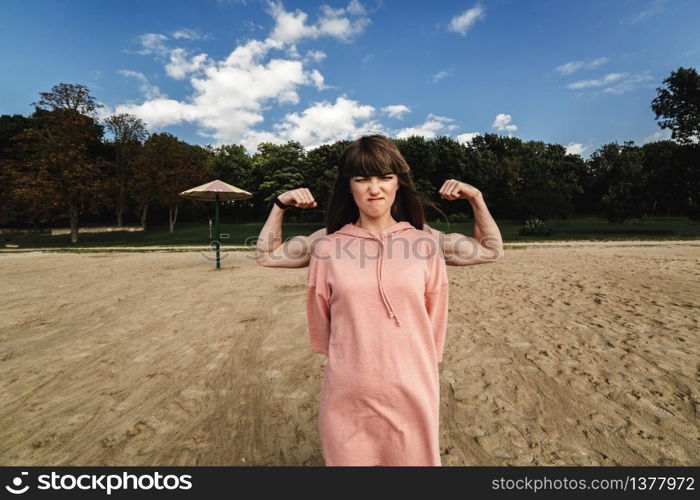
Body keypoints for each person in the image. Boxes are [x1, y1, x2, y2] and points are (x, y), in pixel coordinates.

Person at [255, 134, 504, 465]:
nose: (375, 189)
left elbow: (490, 250)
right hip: (348, 389)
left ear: (398, 183)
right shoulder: (329, 243)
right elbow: (267, 255)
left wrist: (476, 197)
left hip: (412, 386)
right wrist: (279, 205)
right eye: (362, 179)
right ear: (350, 187)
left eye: (385, 177)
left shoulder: (425, 241)